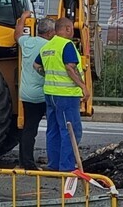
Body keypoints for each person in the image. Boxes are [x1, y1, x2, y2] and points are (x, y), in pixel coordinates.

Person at [34, 17, 87, 172]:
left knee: (54, 129)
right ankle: (67, 167)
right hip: (66, 95)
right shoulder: (67, 45)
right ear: (68, 29)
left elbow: (36, 65)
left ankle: (54, 164)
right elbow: (70, 68)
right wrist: (83, 87)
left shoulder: (47, 46)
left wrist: (48, 76)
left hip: (50, 94)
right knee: (71, 130)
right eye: (71, 29)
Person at [14, 11, 54, 170]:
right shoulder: (50, 46)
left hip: (25, 93)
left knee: (28, 128)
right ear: (50, 32)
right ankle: (32, 163)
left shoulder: (28, 42)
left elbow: (17, 35)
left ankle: (24, 160)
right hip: (41, 95)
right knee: (44, 128)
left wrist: (23, 19)